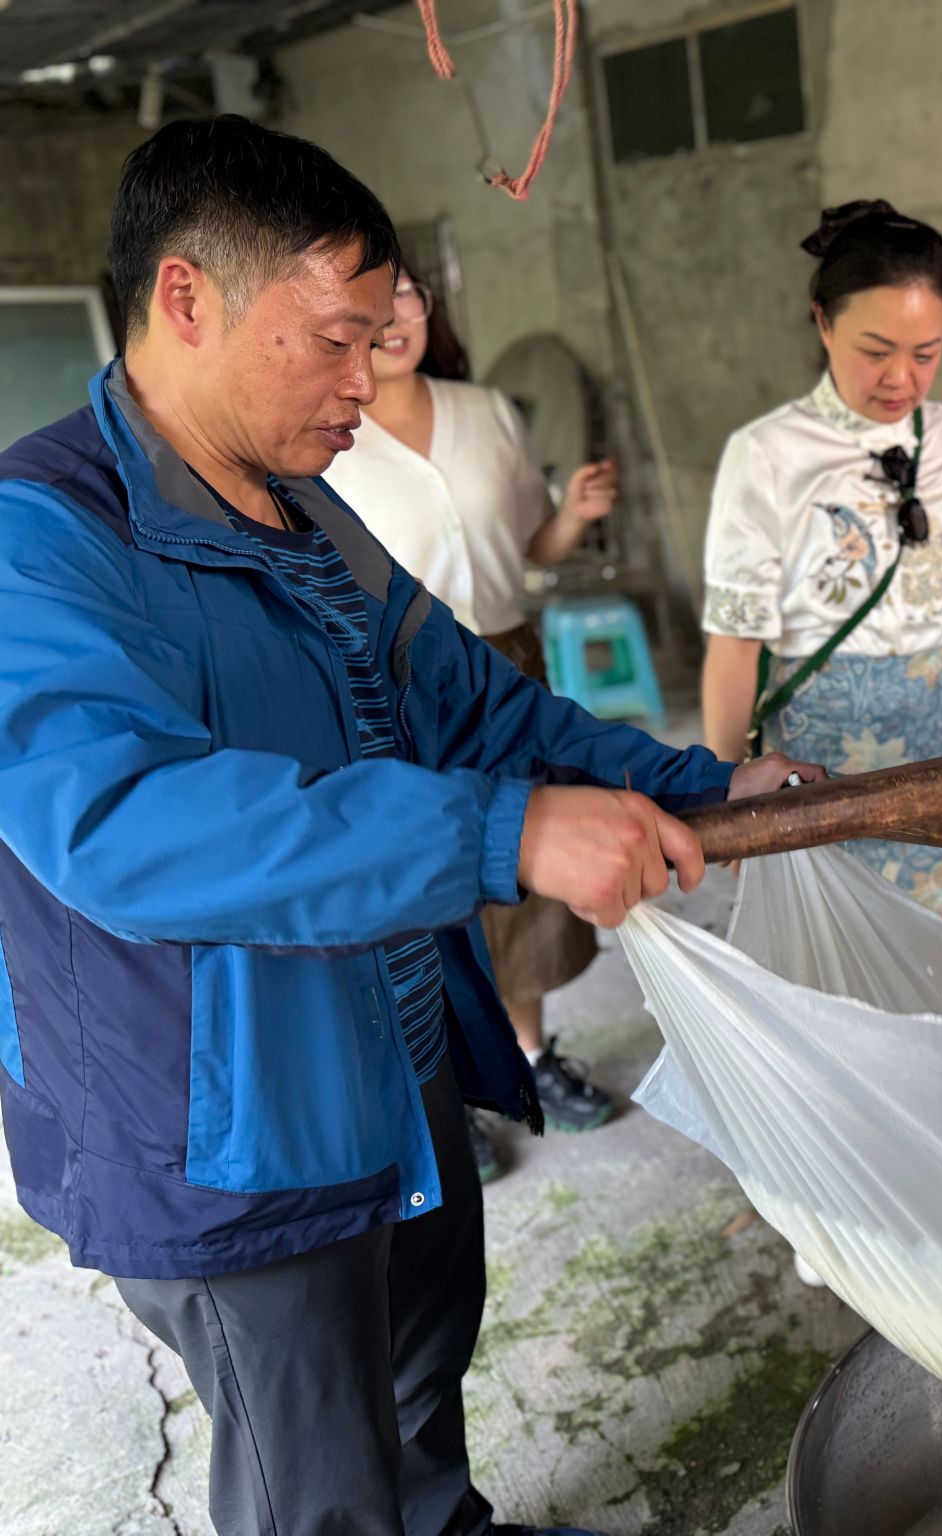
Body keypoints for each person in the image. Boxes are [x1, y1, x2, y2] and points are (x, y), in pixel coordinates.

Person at [0, 116, 815, 1536]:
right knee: (317, 1477)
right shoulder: (43, 534)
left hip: (391, 1036)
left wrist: (691, 782)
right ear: (186, 299)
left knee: (423, 1370)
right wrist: (501, 838)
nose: (365, 385)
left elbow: (469, 702)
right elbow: (125, 822)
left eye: (379, 341)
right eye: (334, 340)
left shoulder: (307, 511)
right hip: (226, 1118)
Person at [321, 249, 622, 1179]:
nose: (394, 318)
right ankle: (446, 1089)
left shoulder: (487, 410)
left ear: (427, 307)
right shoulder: (326, 430)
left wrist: (574, 517)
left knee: (527, 861)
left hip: (508, 663)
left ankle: (529, 1058)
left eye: (407, 296)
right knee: (430, 873)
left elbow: (530, 544)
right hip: (395, 684)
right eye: (373, 305)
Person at [699, 199, 942, 927]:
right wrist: (723, 790)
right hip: (816, 764)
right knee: (829, 958)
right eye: (876, 351)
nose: (901, 377)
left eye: (926, 354)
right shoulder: (767, 454)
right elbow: (735, 639)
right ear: (823, 322)